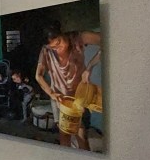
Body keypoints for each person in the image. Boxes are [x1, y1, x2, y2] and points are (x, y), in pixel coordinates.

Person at [35, 21, 102, 149]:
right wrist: (52, 94)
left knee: (81, 134)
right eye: (53, 47)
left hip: (79, 96)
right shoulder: (46, 51)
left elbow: (107, 40)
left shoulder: (78, 38)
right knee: (64, 135)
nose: (58, 48)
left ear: (62, 33)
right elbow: (38, 75)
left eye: (58, 43)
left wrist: (90, 67)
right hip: (59, 98)